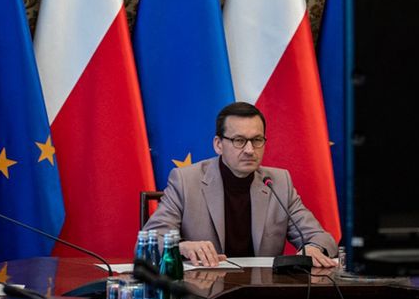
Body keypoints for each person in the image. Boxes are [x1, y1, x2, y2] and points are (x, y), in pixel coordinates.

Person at [144, 102, 338, 268]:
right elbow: (150, 240)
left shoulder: (279, 183)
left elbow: (321, 238)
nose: (250, 150)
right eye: (239, 141)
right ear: (218, 144)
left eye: (257, 140)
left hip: (262, 291)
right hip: (202, 291)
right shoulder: (186, 181)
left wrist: (313, 248)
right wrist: (182, 247)